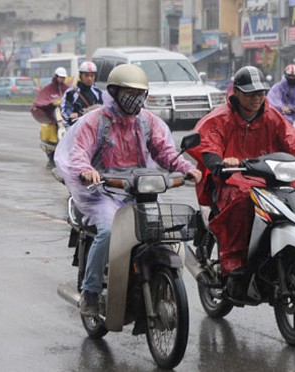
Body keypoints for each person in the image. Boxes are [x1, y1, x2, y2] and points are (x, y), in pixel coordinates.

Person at [54, 64, 202, 316]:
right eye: (128, 93)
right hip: (103, 191)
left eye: (139, 94)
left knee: (164, 231)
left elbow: (165, 151)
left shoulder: (148, 122)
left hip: (139, 190)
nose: (134, 100)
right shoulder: (95, 121)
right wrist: (86, 170)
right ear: (113, 92)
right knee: (109, 231)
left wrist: (185, 168)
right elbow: (79, 151)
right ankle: (90, 292)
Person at [187, 66, 295, 298]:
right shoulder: (220, 118)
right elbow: (207, 144)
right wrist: (220, 163)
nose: (256, 98)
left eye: (260, 93)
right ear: (236, 93)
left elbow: (291, 139)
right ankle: (233, 264)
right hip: (229, 181)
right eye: (250, 93)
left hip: (266, 177)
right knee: (242, 202)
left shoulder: (272, 116)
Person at [60, 61, 103, 128]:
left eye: (92, 75)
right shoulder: (71, 92)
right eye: (86, 75)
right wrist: (71, 114)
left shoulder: (97, 92)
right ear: (80, 75)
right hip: (75, 128)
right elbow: (65, 110)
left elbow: (104, 108)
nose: (89, 78)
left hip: (94, 128)